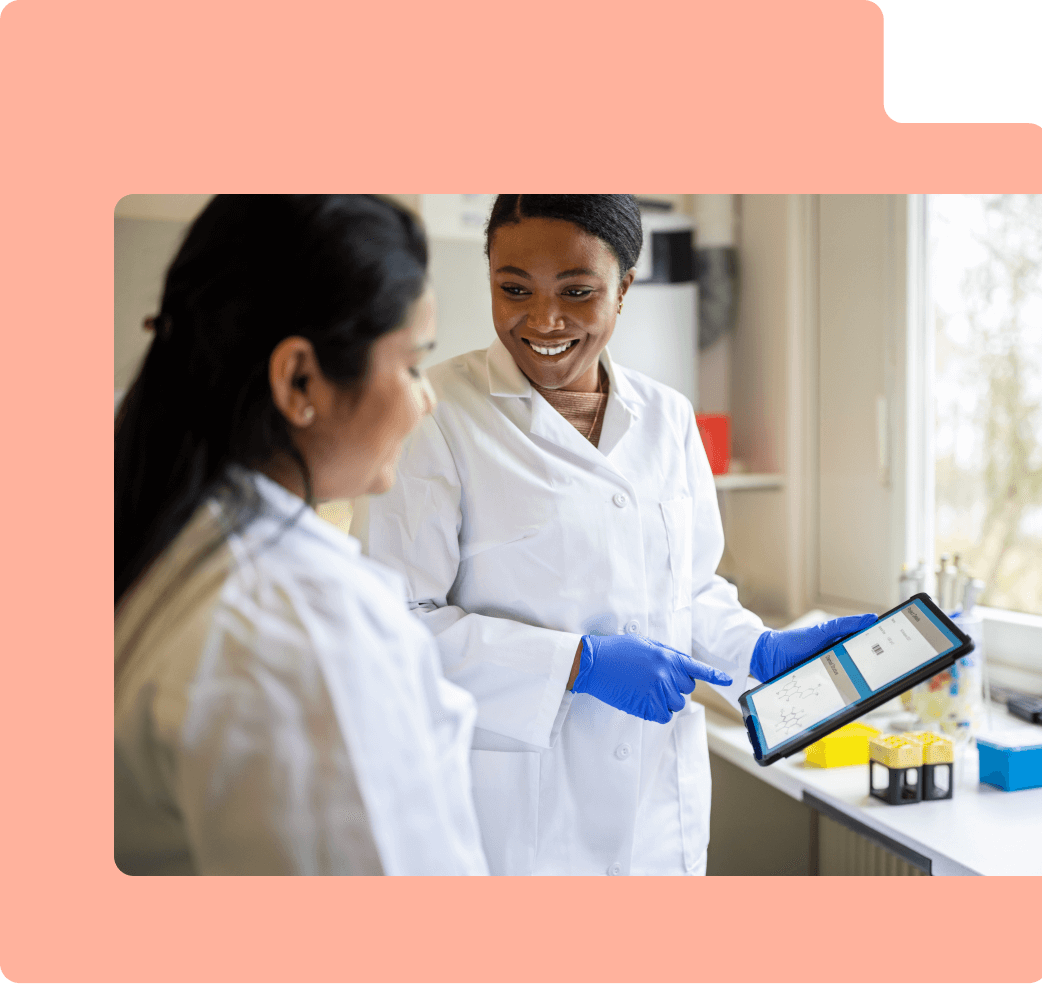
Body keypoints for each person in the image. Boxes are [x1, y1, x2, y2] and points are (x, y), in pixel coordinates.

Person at [351, 194, 875, 875]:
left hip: (660, 816)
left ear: (624, 288)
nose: (543, 319)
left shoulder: (667, 418)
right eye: (514, 289)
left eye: (578, 291)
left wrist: (759, 649)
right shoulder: (437, 416)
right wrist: (579, 663)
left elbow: (689, 587)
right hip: (519, 824)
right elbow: (394, 633)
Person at [114, 195, 488, 876]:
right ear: (298, 380)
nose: (425, 397)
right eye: (410, 365)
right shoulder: (301, 626)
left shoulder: (169, 530)